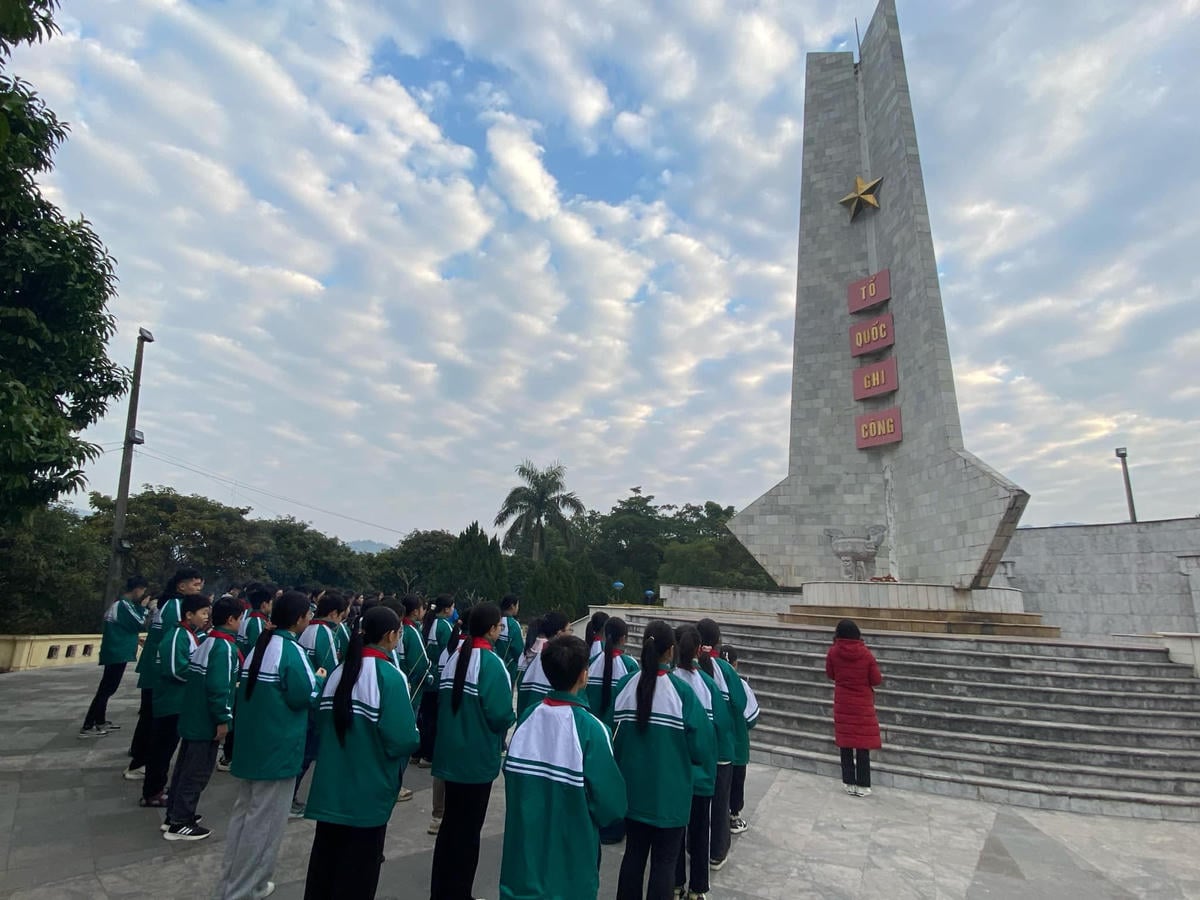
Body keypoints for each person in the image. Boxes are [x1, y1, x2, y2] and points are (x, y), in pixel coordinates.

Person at [302, 606, 420, 900]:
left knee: (324, 870)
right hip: (367, 793)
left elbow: (320, 722)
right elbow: (402, 739)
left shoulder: (339, 673)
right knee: (357, 876)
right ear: (391, 636)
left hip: (331, 790)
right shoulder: (389, 677)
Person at [216, 591, 326, 900]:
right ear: (299, 618)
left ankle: (237, 883)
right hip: (277, 748)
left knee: (245, 817)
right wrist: (319, 679)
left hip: (254, 746)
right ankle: (241, 891)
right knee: (264, 826)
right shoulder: (290, 651)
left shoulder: (261, 647)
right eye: (307, 614)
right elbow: (305, 695)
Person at [499, 635, 626, 900]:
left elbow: (510, 775)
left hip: (522, 865)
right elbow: (611, 806)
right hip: (572, 871)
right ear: (583, 675)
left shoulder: (527, 718)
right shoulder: (592, 729)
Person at [613, 621, 713, 900]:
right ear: (671, 651)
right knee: (664, 864)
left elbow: (613, 739)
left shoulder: (625, 686)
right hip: (671, 798)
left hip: (632, 794)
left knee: (633, 857)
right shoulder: (681, 693)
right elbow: (703, 748)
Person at [429, 602, 516, 900]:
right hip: (476, 761)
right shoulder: (491, 664)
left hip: (450, 757)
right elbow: (502, 714)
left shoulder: (455, 657)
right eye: (499, 627)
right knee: (468, 834)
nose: (501, 631)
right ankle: (459, 893)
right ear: (492, 629)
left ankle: (441, 891)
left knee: (450, 828)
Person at [164, 596, 244, 840]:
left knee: (184, 768)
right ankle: (181, 821)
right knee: (196, 772)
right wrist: (223, 719)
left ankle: (174, 814)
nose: (242, 623)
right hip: (206, 721)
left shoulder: (209, 641)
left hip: (194, 717)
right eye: (240, 618)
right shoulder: (224, 648)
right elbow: (219, 688)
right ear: (231, 619)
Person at [671, 626, 728, 900]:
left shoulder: (666, 681)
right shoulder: (707, 683)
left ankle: (675, 882)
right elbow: (720, 725)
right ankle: (698, 889)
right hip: (702, 772)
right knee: (700, 831)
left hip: (674, 772)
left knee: (675, 831)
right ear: (697, 650)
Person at [128, 568, 203, 779]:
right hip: (160, 670)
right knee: (154, 719)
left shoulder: (172, 603)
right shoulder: (175, 606)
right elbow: (174, 641)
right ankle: (140, 762)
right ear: (181, 586)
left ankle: (139, 756)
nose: (199, 589)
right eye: (195, 585)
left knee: (150, 716)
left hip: (158, 668)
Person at [142, 593, 211, 808]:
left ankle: (159, 787)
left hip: (181, 702)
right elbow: (175, 670)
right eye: (203, 613)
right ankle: (152, 792)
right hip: (170, 702)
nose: (206, 617)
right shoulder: (177, 635)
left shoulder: (191, 634)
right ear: (189, 614)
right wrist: (199, 678)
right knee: (161, 750)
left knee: (169, 748)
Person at [696, 621, 758, 856]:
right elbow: (741, 705)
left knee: (698, 803)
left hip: (696, 748)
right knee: (721, 802)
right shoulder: (726, 670)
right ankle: (717, 851)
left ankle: (694, 847)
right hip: (722, 748)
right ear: (718, 640)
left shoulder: (686, 669)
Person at [293, 592, 350, 816]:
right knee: (307, 753)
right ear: (334, 613)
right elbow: (331, 670)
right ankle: (291, 797)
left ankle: (290, 795)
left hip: (307, 697)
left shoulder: (306, 630)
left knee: (303, 750)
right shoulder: (325, 633)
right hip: (316, 701)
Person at [586, 616, 639, 844]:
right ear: (624, 638)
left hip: (592, 734)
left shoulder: (592, 662)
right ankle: (614, 826)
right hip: (618, 738)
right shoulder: (630, 666)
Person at [81, 575, 150, 738]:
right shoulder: (123, 605)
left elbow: (128, 627)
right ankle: (88, 725)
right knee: (106, 689)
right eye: (142, 591)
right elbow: (139, 622)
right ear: (137, 589)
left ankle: (100, 720)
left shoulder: (124, 605)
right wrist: (144, 607)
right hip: (116, 651)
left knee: (109, 688)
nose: (142, 595)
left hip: (119, 650)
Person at [220, 582, 274, 772]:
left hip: (241, 672)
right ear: (265, 604)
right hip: (248, 674)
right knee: (241, 717)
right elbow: (258, 650)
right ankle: (230, 757)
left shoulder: (248, 618)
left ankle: (228, 755)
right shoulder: (259, 623)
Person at [825, 618, 883, 797]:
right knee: (862, 745)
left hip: (843, 702)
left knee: (846, 744)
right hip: (862, 703)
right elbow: (876, 679)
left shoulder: (833, 652)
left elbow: (830, 674)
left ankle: (849, 782)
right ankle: (864, 784)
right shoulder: (866, 654)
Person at [716, 645, 756, 837]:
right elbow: (752, 717)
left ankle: (718, 816)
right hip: (738, 747)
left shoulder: (709, 681)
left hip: (719, 747)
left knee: (721, 784)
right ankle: (734, 817)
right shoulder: (741, 685)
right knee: (736, 783)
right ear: (735, 663)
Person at [417, 594, 456, 769]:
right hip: (438, 677)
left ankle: (418, 752)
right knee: (433, 719)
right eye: (453, 607)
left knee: (425, 717)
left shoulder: (428, 622)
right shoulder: (445, 627)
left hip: (428, 675)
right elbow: (450, 652)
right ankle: (429, 754)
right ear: (447, 609)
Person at [516, 611, 570, 717]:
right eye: (569, 630)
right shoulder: (549, 658)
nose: (571, 634)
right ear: (559, 633)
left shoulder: (530, 650)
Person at [494, 594, 525, 685]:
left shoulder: (495, 620)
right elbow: (518, 650)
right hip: (508, 667)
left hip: (492, 664)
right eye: (517, 605)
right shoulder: (513, 624)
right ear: (512, 606)